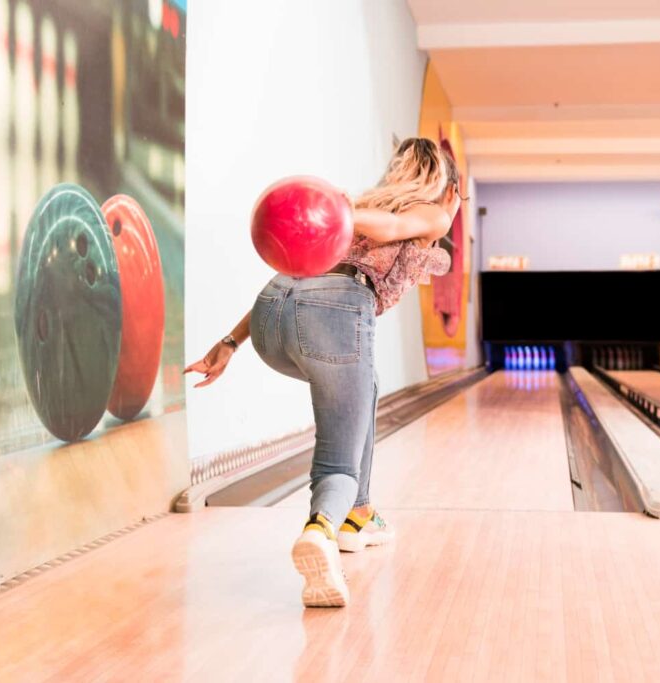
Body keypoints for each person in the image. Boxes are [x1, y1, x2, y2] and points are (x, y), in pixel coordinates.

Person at [185, 138, 461, 607]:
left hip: (272, 315)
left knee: (366, 388)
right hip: (330, 317)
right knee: (337, 459)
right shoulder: (428, 213)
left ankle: (360, 514)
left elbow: (300, 279)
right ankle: (321, 530)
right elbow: (396, 226)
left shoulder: (348, 212)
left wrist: (230, 343)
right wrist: (351, 206)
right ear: (445, 186)